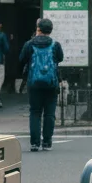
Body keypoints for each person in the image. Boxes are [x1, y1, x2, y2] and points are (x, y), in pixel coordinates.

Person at [19, 18, 64, 152]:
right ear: (50, 30)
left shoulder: (29, 44)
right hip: (51, 83)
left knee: (35, 112)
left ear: (38, 29)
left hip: (34, 83)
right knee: (49, 113)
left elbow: (22, 59)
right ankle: (47, 142)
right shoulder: (55, 45)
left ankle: (35, 143)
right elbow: (60, 58)